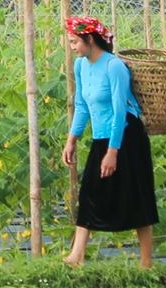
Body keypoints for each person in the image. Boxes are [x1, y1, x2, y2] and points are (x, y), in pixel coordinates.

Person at [60, 16, 158, 268]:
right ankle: (77, 255)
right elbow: (81, 106)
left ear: (89, 39)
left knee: (137, 194)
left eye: (74, 41)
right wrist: (72, 140)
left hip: (127, 135)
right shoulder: (81, 66)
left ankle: (146, 263)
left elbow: (119, 111)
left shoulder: (114, 66)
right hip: (102, 135)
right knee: (90, 190)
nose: (72, 47)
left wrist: (113, 152)